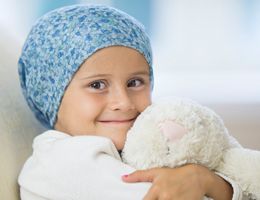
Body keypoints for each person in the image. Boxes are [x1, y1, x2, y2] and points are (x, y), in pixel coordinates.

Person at [18, 4, 244, 200]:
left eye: (135, 82)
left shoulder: (130, 149)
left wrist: (205, 179)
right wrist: (205, 180)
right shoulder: (64, 162)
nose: (123, 102)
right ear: (50, 94)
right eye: (97, 85)